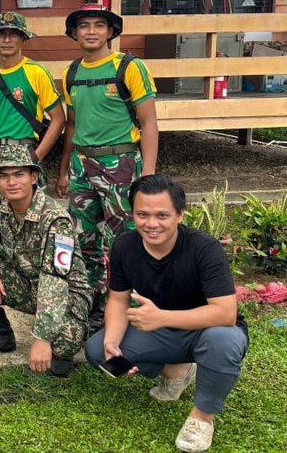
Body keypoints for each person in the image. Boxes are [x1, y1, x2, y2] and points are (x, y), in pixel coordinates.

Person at [85, 174, 248, 453]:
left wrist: (163, 318)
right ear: (132, 213)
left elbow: (225, 313)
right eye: (142, 214)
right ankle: (176, 371)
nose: (151, 224)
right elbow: (118, 300)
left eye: (162, 215)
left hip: (206, 329)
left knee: (224, 339)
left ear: (180, 215)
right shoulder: (125, 245)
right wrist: (112, 340)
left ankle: (202, 417)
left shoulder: (203, 248)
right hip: (160, 330)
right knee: (98, 350)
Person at [55, 3, 159, 333]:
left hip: (121, 165)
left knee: (123, 240)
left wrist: (149, 175)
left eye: (99, 25)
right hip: (81, 165)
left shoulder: (129, 67)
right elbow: (71, 126)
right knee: (82, 238)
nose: (91, 31)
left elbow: (149, 123)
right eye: (83, 25)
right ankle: (90, 301)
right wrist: (62, 171)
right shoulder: (70, 73)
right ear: (73, 33)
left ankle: (125, 307)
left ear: (111, 31)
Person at [0, 145, 91, 377]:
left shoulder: (55, 219)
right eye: (3, 176)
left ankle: (60, 345)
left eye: (19, 174)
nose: (11, 182)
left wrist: (42, 338)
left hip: (66, 294)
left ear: (33, 177)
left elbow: (55, 280)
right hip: (27, 284)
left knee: (63, 343)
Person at [0, 12, 65, 192]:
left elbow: (58, 119)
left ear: (23, 39)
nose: (7, 40)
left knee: (28, 212)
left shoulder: (36, 72)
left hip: (24, 148)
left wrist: (36, 157)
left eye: (13, 34)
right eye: (1, 34)